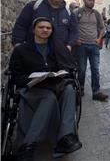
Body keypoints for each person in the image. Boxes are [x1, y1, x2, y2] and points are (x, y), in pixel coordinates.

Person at [9, 17, 82, 161]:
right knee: (48, 97)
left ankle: (65, 138)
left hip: (54, 85)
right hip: (32, 88)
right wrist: (34, 78)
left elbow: (68, 67)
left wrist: (60, 74)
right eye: (41, 27)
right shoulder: (21, 50)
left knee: (69, 90)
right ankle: (28, 144)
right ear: (34, 30)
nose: (45, 30)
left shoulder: (56, 48)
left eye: (48, 28)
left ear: (52, 31)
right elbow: (17, 77)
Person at [12, 0, 79, 51]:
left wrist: (69, 45)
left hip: (59, 54)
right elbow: (21, 26)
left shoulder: (69, 13)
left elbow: (74, 32)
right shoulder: (33, 7)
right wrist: (18, 44)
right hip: (33, 52)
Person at [74, 0, 108, 101]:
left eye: (93, 0)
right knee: (82, 70)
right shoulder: (77, 12)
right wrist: (76, 39)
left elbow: (102, 28)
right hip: (81, 46)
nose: (92, 2)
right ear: (84, 0)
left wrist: (99, 39)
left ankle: (96, 92)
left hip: (94, 46)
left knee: (95, 69)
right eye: (89, 0)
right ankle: (81, 89)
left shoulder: (97, 14)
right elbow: (71, 28)